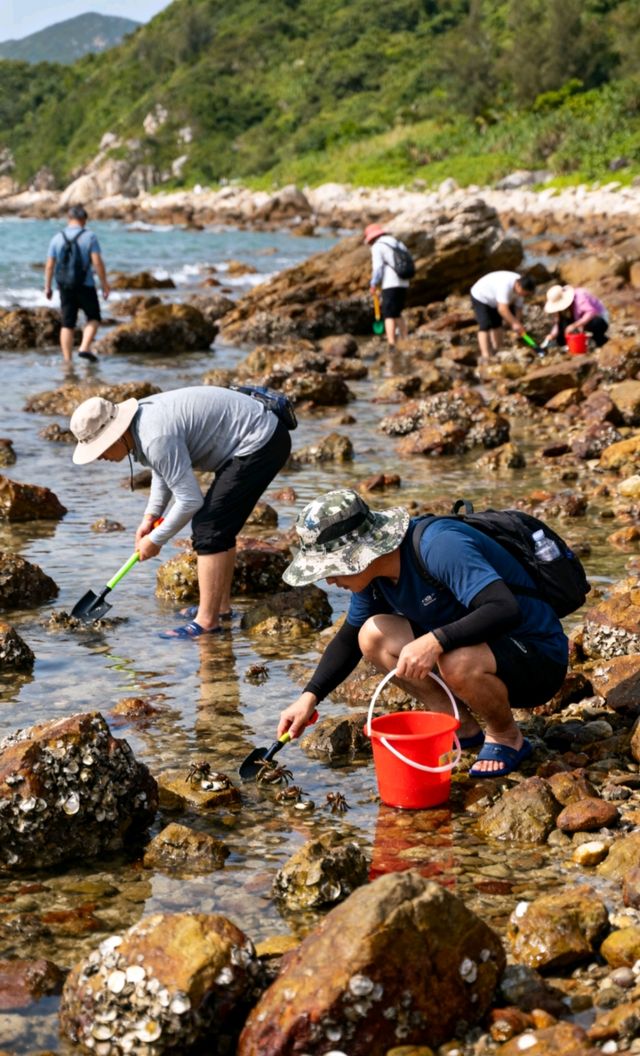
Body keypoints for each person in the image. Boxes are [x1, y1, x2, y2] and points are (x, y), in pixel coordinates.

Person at [277, 489, 568, 778]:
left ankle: (506, 736)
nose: (329, 579)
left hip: (537, 656)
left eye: (332, 568)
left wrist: (435, 641)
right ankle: (460, 727)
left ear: (358, 554)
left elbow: (504, 608)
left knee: (455, 658)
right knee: (372, 636)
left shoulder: (438, 545)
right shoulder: (373, 576)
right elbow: (349, 639)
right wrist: (309, 697)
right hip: (479, 650)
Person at [69, 386, 292, 639]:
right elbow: (163, 469)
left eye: (100, 449)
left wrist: (155, 540)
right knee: (219, 526)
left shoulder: (154, 436)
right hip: (255, 437)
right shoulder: (141, 425)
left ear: (115, 434)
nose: (99, 457)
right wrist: (150, 517)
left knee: (209, 528)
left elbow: (189, 500)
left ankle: (207, 622)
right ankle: (220, 608)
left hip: (260, 441)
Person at [44, 204, 110, 365]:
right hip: (85, 284)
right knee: (94, 317)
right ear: (84, 220)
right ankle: (84, 347)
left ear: (69, 219)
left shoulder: (57, 237)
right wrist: (104, 284)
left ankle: (67, 361)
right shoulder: (90, 237)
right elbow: (97, 263)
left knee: (67, 323)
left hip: (64, 286)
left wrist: (47, 286)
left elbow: (50, 265)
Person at [470, 271, 536, 360]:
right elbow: (502, 309)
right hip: (481, 296)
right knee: (485, 325)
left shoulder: (522, 287)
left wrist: (518, 322)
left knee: (497, 323)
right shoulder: (505, 285)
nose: (524, 295)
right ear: (518, 285)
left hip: (495, 299)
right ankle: (485, 355)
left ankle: (498, 349)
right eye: (524, 293)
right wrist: (514, 323)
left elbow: (518, 307)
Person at [364, 223, 410, 348]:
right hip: (404, 281)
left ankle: (391, 344)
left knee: (388, 314)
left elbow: (378, 268)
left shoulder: (378, 246)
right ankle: (405, 340)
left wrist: (373, 283)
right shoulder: (398, 243)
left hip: (390, 283)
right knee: (397, 312)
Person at [543, 284, 609, 348]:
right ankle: (570, 344)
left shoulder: (580, 296)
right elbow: (559, 323)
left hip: (599, 317)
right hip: (580, 321)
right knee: (563, 328)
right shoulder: (564, 309)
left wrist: (575, 325)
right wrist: (552, 335)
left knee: (595, 323)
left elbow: (591, 312)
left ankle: (601, 340)